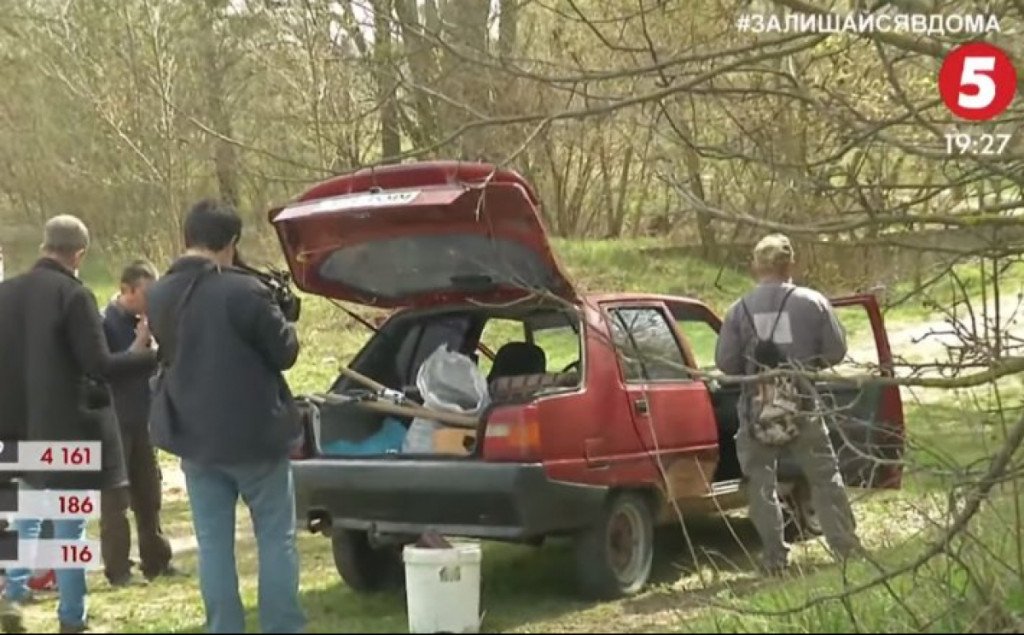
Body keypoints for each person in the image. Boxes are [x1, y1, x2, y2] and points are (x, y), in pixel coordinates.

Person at [146, 200, 304, 634]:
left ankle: (224, 628)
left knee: (214, 546)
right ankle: (282, 627)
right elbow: (285, 353)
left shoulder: (159, 293)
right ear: (232, 243)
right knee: (276, 538)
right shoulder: (245, 291)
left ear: (187, 238)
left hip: (194, 436)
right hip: (255, 434)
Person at [0, 215, 156, 633]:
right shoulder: (74, 295)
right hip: (67, 430)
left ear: (44, 246)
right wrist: (152, 356)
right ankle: (72, 615)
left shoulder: (5, 294)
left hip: (16, 426)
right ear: (79, 255)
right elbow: (100, 365)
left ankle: (12, 592)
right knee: (69, 521)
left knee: (23, 512)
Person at [715, 233, 860, 574]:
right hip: (804, 403)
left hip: (756, 409)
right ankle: (845, 549)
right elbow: (836, 351)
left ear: (755, 267)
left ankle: (774, 558)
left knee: (760, 483)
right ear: (790, 264)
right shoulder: (813, 302)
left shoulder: (738, 310)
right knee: (825, 478)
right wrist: (807, 363)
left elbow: (725, 363)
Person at [100, 260, 180, 586]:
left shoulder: (148, 320)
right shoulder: (104, 323)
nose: (151, 301)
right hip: (114, 418)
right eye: (145, 294)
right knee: (116, 499)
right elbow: (105, 369)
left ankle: (157, 561)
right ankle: (119, 570)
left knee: (149, 492)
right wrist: (138, 346)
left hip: (142, 416)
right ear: (127, 290)